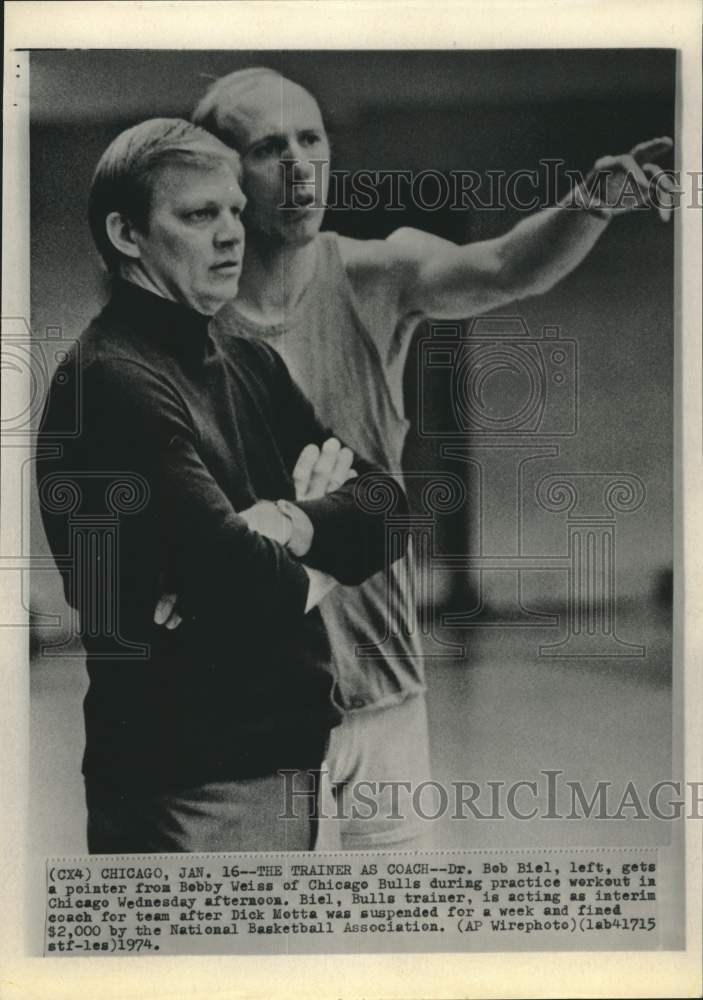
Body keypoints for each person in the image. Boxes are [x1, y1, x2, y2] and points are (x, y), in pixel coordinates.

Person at [180, 68, 675, 850]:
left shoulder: (378, 272)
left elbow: (504, 268)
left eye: (312, 139)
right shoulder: (176, 317)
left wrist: (588, 204)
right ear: (219, 173)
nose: (301, 166)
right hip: (249, 705)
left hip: (384, 694)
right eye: (270, 147)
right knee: (260, 954)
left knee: (399, 949)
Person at [36, 117, 405, 854]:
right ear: (127, 232)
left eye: (235, 210)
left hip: (278, 760)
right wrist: (295, 540)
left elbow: (388, 509)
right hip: (189, 779)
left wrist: (284, 526)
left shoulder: (245, 359)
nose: (232, 234)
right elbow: (246, 582)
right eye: (199, 215)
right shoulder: (113, 381)